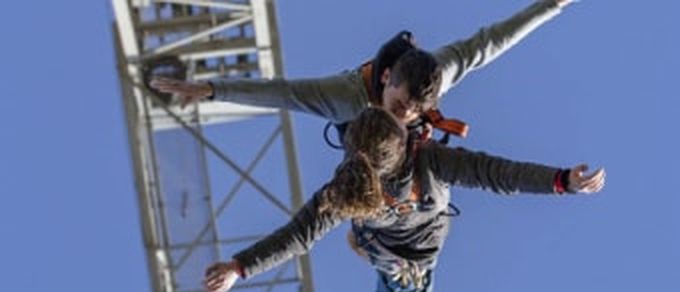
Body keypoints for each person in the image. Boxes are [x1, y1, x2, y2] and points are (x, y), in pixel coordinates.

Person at [203, 108, 605, 292]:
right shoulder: (343, 192)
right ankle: (375, 252)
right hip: (389, 252)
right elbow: (298, 235)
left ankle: (381, 255)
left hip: (418, 244)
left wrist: (559, 180)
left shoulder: (430, 160)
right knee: (401, 285)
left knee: (406, 281)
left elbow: (498, 174)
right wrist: (240, 267)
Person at [150, 0, 576, 127]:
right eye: (399, 107)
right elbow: (283, 93)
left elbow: (492, 42)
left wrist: (550, 6)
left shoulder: (438, 76)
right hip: (364, 150)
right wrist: (212, 90)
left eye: (413, 111)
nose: (404, 115)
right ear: (386, 78)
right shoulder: (344, 97)